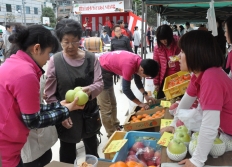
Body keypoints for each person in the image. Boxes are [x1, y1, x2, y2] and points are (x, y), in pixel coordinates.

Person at [160, 30, 232, 167]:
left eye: (182, 52)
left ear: (194, 54)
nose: (178, 56)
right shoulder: (201, 75)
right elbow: (185, 102)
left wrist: (196, 160)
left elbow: (210, 125)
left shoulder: (211, 78)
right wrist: (174, 124)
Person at [0, 24, 84, 167]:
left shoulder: (12, 63)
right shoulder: (26, 74)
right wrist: (67, 110)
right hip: (6, 149)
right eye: (48, 53)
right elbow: (33, 121)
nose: (48, 59)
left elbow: (28, 110)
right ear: (37, 48)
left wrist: (59, 105)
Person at [44, 19, 103, 164]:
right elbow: (50, 94)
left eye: (74, 41)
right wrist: (61, 115)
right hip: (67, 116)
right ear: (60, 41)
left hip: (89, 114)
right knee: (67, 153)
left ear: (80, 40)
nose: (70, 46)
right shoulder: (55, 61)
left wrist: (89, 89)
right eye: (65, 42)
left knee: (92, 150)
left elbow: (100, 83)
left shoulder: (91, 59)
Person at [97, 51, 159, 137]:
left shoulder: (139, 62)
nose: (144, 78)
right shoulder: (129, 66)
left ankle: (116, 125)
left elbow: (137, 80)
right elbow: (126, 89)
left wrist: (145, 95)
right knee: (106, 108)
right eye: (145, 76)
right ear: (142, 70)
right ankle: (111, 134)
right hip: (99, 70)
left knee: (113, 103)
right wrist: (140, 103)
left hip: (107, 70)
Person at [153, 25, 180, 99]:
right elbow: (156, 66)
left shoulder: (179, 43)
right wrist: (156, 83)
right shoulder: (157, 48)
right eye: (161, 39)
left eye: (166, 39)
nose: (164, 41)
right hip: (166, 81)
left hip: (180, 79)